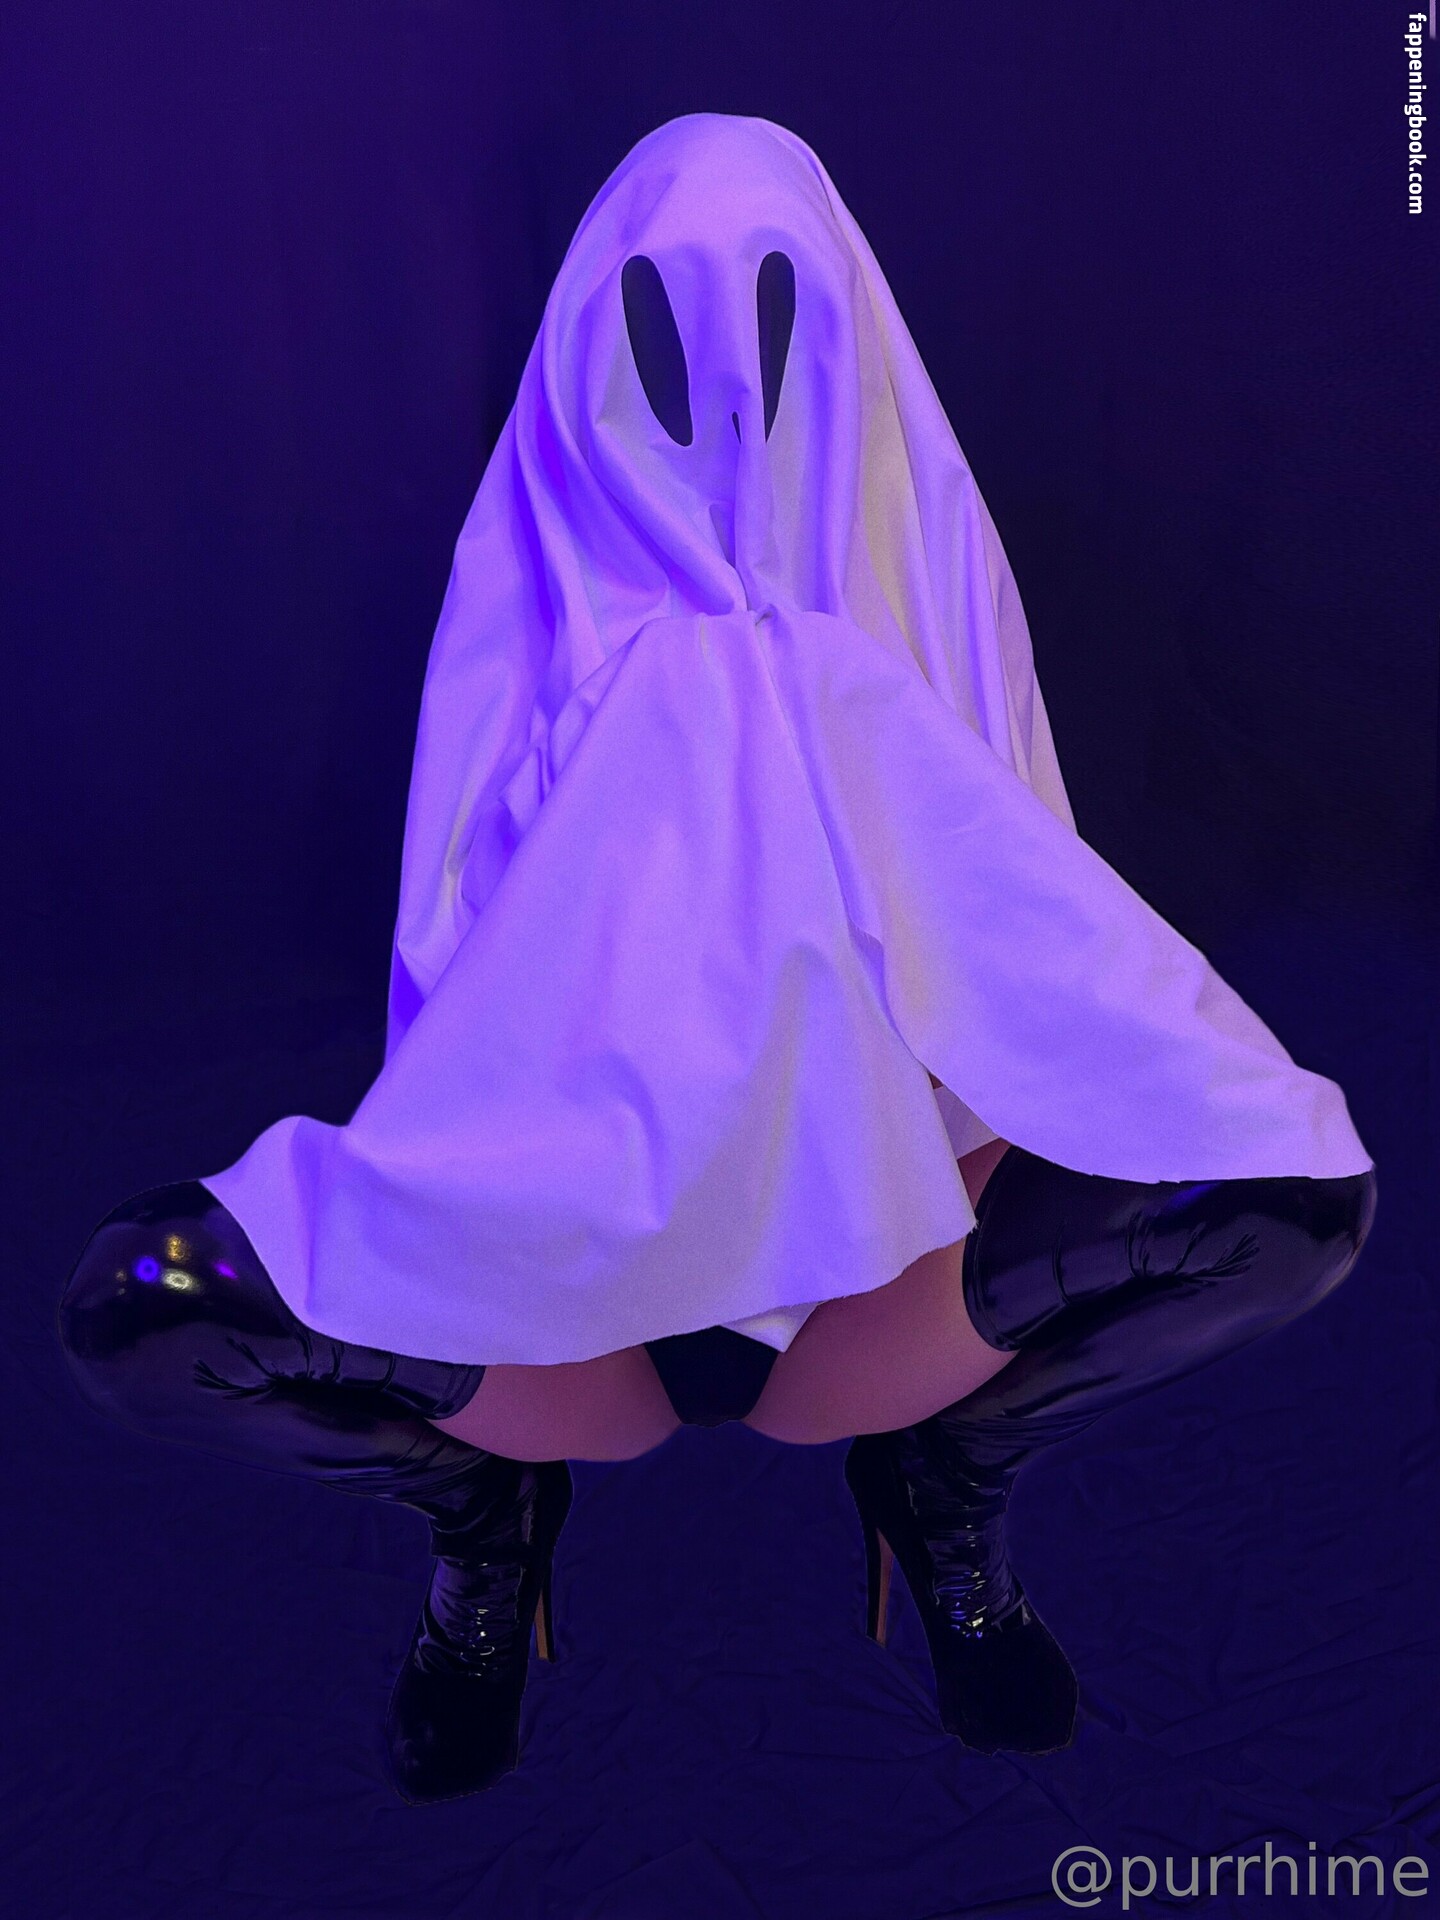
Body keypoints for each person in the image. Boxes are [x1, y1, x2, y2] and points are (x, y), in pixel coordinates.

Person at [56, 113, 1377, 1806]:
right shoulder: (536, 618)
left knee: (1289, 1195)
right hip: (559, 1301)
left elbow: (1048, 975)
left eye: (775, 320)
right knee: (149, 1299)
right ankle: (483, 1521)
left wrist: (844, 719)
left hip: (886, 1284)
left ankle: (948, 1482)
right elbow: (458, 1015)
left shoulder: (911, 604)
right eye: (663, 335)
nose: (730, 405)